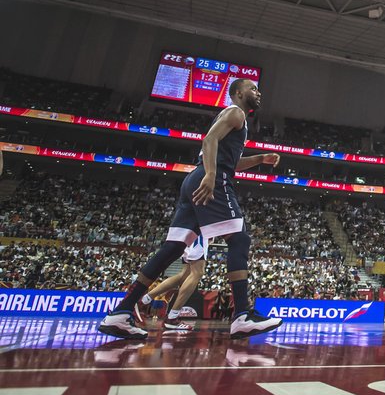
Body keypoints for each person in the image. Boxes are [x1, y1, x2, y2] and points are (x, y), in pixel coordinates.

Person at [98, 79, 283, 339]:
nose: (258, 92)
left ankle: (121, 311)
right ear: (239, 93)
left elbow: (230, 162)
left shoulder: (232, 118)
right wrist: (210, 176)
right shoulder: (235, 112)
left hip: (195, 180)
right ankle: (242, 315)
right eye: (253, 89)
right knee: (239, 239)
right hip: (211, 180)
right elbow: (209, 142)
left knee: (172, 248)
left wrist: (260, 159)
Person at [133, 235, 209, 331]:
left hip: (189, 236)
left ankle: (143, 301)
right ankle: (172, 318)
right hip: (199, 235)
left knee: (184, 275)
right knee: (197, 272)